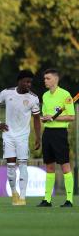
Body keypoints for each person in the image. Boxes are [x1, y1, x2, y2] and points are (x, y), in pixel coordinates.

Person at [0, 70, 41, 206]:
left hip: (23, 137)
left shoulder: (33, 98)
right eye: (26, 81)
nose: (28, 84)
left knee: (23, 164)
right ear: (19, 81)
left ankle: (23, 197)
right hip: (8, 135)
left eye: (30, 82)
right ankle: (14, 194)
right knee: (11, 166)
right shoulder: (6, 93)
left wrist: (38, 137)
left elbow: (36, 118)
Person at [38, 68, 75, 207]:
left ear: (55, 79)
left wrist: (55, 118)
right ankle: (47, 199)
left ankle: (69, 200)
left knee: (65, 166)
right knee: (49, 167)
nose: (45, 81)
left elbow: (71, 116)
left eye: (48, 78)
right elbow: (46, 116)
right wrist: (45, 119)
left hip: (60, 134)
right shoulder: (45, 96)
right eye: (44, 78)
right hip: (47, 133)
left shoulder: (65, 95)